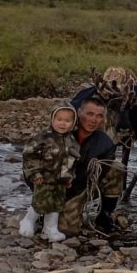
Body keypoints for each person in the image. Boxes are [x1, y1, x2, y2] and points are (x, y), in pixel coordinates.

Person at [58, 96, 125, 237]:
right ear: (79, 112)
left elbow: (101, 175)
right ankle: (44, 210)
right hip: (57, 187)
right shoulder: (61, 132)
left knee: (117, 167)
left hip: (83, 186)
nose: (94, 120)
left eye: (99, 116)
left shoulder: (106, 143)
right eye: (90, 114)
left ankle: (104, 214)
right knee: (65, 230)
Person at [18, 104, 80, 242]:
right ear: (52, 119)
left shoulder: (71, 140)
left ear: (73, 123)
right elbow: (29, 155)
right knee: (40, 202)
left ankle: (50, 229)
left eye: (67, 120)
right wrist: (35, 174)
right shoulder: (42, 137)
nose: (63, 123)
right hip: (44, 178)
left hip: (61, 180)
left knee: (57, 204)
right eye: (59, 119)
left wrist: (70, 177)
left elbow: (73, 159)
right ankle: (28, 221)